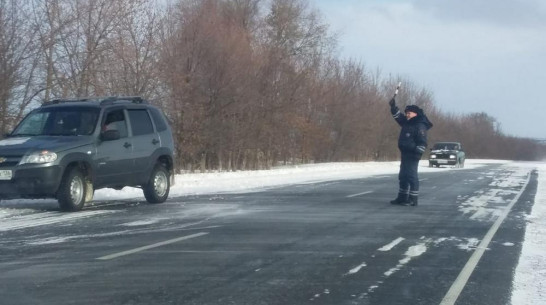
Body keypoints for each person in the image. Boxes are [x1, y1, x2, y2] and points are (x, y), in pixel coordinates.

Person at [389, 98, 433, 206]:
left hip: (413, 154)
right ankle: (402, 197)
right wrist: (393, 107)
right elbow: (398, 117)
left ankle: (413, 199)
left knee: (411, 176)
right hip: (405, 153)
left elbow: (422, 142)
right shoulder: (407, 123)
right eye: (406, 113)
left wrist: (417, 153)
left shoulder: (419, 125)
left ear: (415, 113)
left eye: (409, 113)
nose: (407, 115)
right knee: (403, 175)